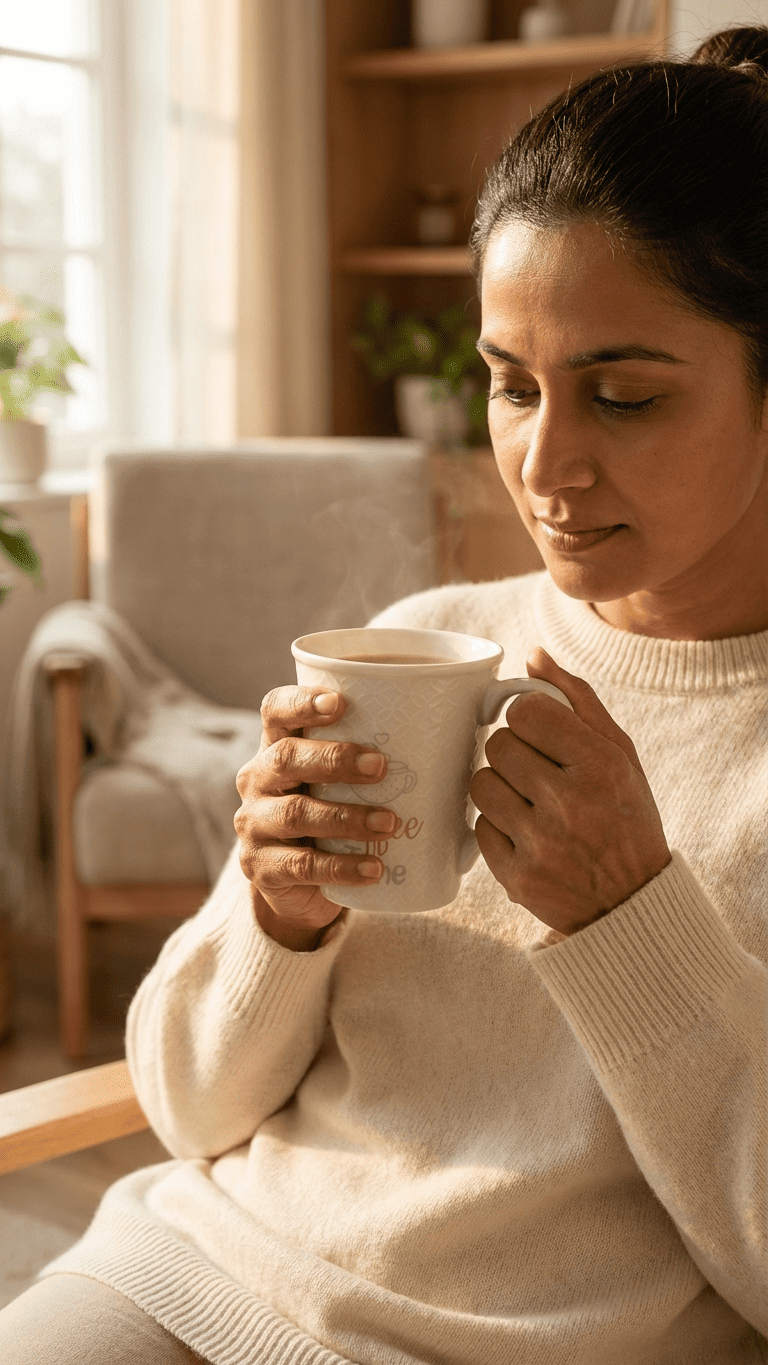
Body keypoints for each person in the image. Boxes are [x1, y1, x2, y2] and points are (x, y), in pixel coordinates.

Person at [1, 23, 766, 1365]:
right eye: (510, 386)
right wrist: (274, 919)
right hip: (187, 1275)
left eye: (622, 397)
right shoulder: (429, 645)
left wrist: (633, 914)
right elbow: (187, 1110)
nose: (544, 465)